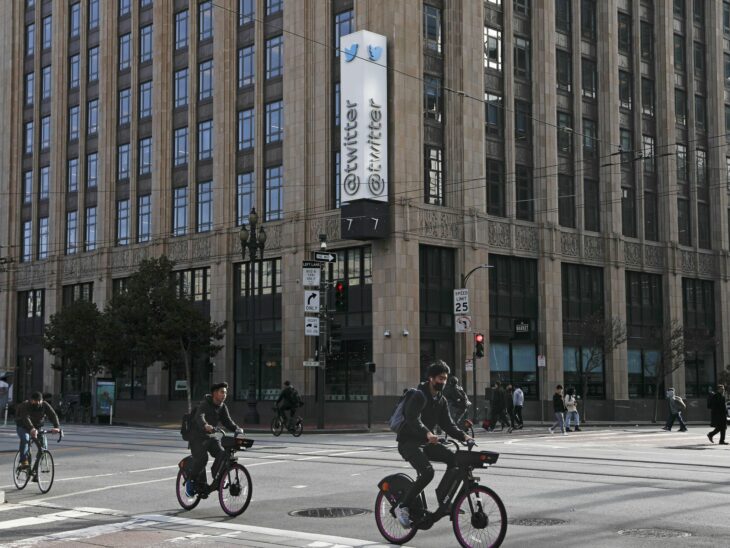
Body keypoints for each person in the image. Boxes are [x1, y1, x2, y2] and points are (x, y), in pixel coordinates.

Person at [394, 360, 473, 528]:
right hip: (409, 442)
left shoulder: (441, 400)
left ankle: (444, 500)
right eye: (440, 378)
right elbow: (412, 418)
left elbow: (448, 424)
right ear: (431, 378)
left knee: (455, 460)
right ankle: (403, 507)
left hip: (426, 442)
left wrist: (464, 436)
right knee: (427, 472)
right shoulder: (418, 395)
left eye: (445, 379)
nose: (443, 382)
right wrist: (427, 433)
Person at [186, 382, 243, 497]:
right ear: (214, 393)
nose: (225, 395)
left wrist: (237, 429)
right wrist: (205, 425)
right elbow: (199, 416)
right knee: (202, 459)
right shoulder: (204, 404)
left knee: (222, 454)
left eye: (226, 393)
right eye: (222, 392)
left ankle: (217, 476)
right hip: (196, 437)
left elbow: (227, 421)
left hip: (210, 437)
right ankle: (190, 481)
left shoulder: (222, 407)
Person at [15, 391, 61, 472]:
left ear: (42, 400)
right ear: (31, 400)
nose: (38, 403)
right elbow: (26, 418)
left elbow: (53, 415)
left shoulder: (45, 405)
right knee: (26, 439)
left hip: (37, 427)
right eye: (35, 401)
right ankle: (23, 461)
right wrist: (32, 429)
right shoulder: (25, 405)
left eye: (39, 401)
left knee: (44, 447)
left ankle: (36, 468)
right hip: (23, 426)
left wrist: (56, 427)